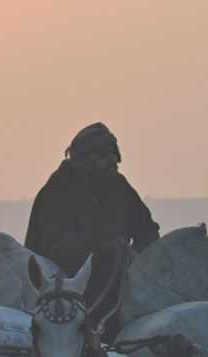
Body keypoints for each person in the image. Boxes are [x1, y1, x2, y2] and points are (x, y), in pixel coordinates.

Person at [25, 122, 160, 339]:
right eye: (106, 155)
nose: (115, 161)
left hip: (118, 282)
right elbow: (58, 246)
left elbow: (147, 229)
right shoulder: (58, 190)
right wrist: (107, 249)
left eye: (115, 155)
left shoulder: (118, 186)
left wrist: (140, 256)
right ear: (86, 160)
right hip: (65, 289)